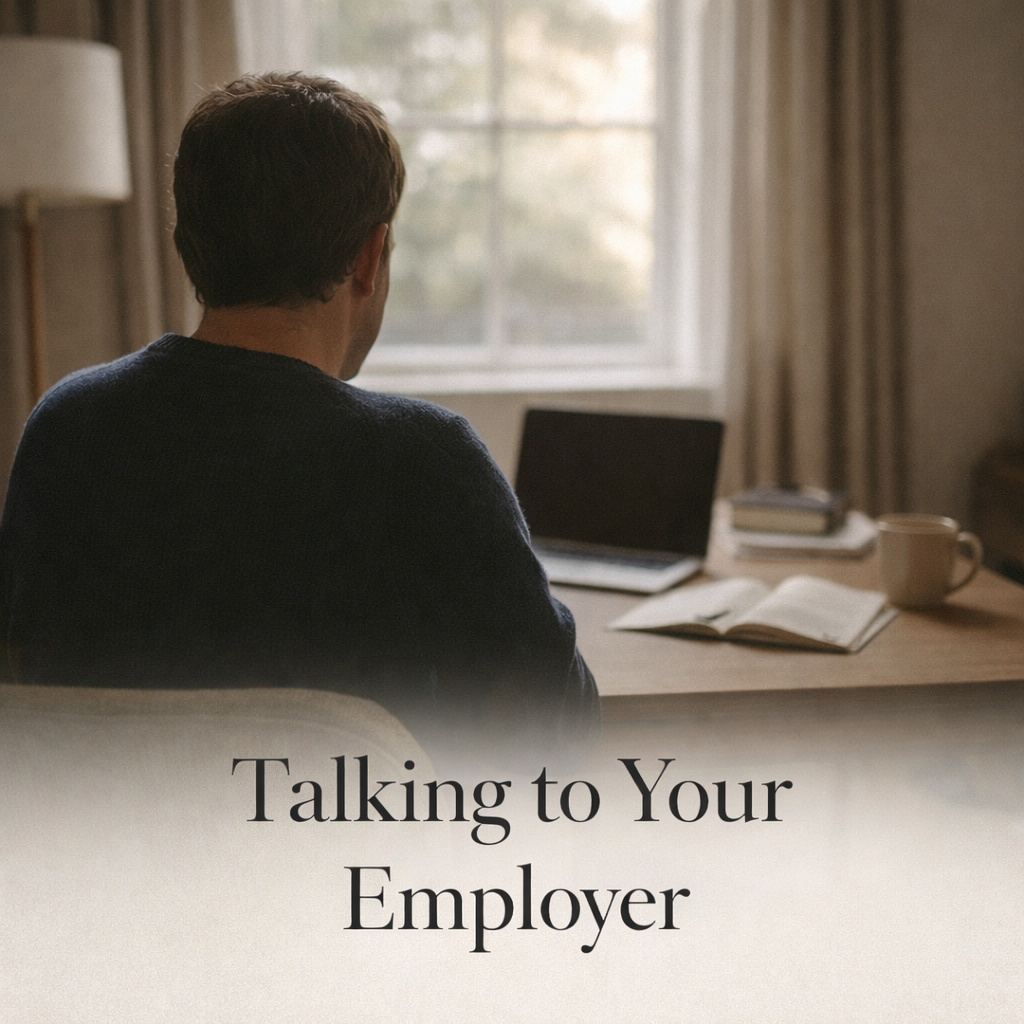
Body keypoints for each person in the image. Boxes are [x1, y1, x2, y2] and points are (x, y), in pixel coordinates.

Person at [0, 72, 598, 764]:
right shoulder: (425, 459)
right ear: (369, 256)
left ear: (188, 240)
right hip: (358, 869)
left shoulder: (64, 428)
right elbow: (555, 731)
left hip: (100, 864)